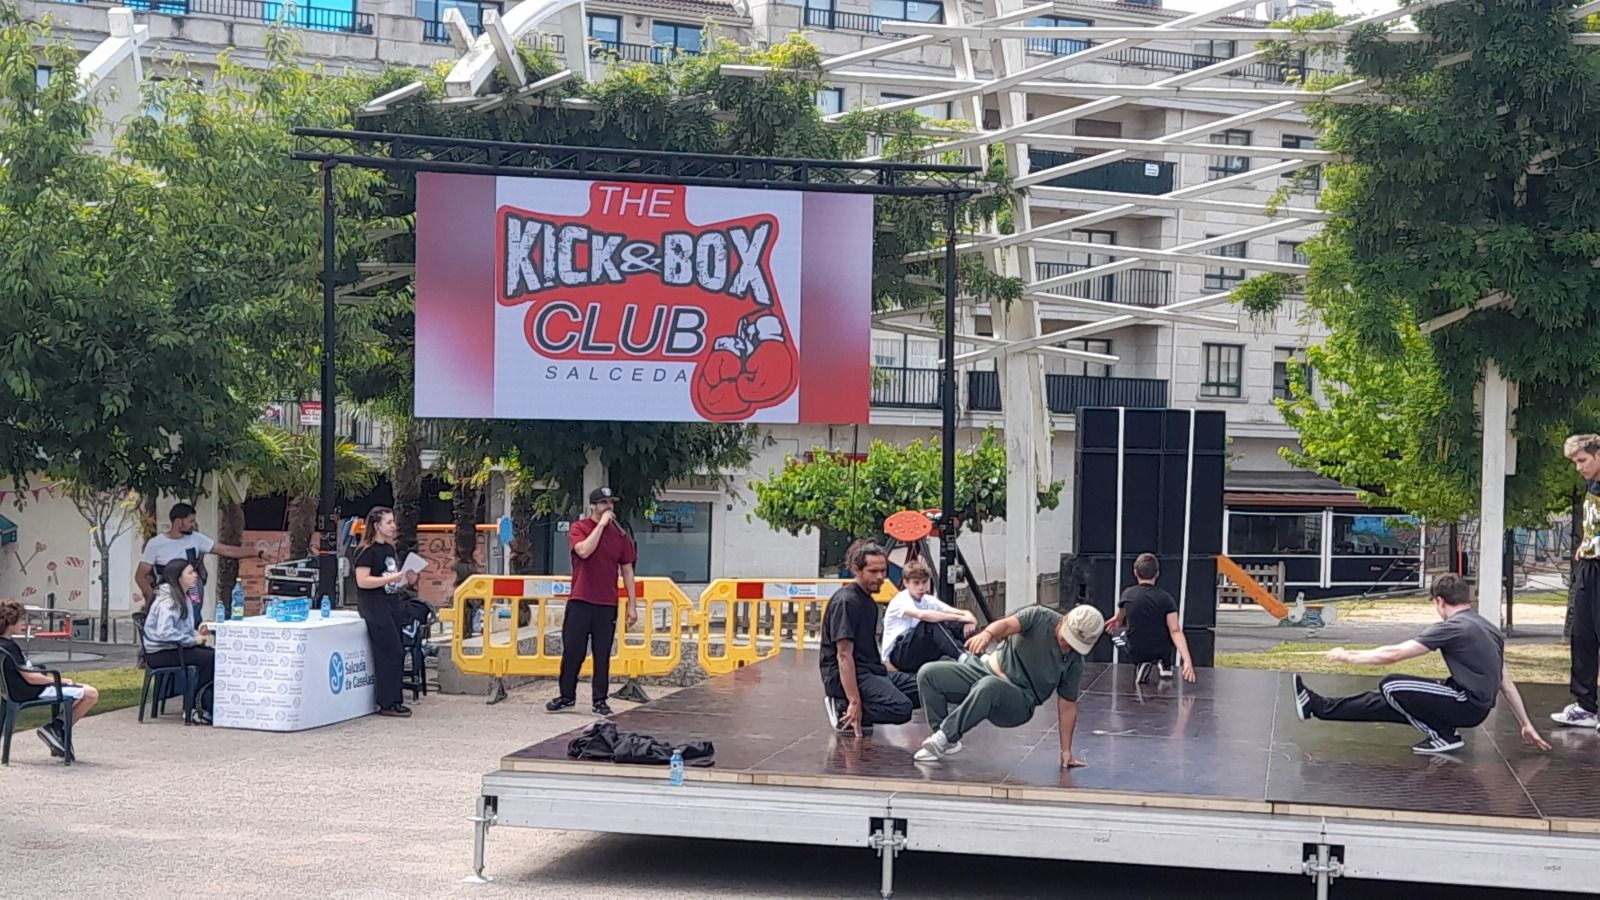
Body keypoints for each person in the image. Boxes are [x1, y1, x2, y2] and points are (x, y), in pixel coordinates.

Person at [1293, 574, 1551, 755]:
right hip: (1472, 707)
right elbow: (1505, 681)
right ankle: (1317, 706)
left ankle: (1443, 736)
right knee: (1384, 702)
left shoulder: (1453, 627)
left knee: (1391, 685)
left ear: (1439, 601)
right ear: (1466, 599)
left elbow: (1393, 654)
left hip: (1464, 704)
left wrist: (1346, 656)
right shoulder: (1488, 628)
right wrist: (1525, 723)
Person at [914, 603, 1105, 765]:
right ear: (1065, 620)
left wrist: (1066, 752)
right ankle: (944, 735)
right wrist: (987, 634)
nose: (1068, 646)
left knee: (989, 687)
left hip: (1019, 699)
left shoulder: (1074, 661)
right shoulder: (1040, 616)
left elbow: (1067, 706)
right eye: (1066, 638)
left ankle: (945, 736)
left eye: (1075, 644)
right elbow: (1006, 625)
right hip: (986, 669)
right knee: (928, 674)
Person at [548, 487, 638, 717]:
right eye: (603, 502)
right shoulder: (579, 528)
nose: (608, 506)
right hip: (581, 599)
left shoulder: (620, 536)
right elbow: (584, 551)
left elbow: (627, 571)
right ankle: (566, 696)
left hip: (607, 602)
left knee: (602, 653)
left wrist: (632, 605)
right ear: (593, 506)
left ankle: (600, 699)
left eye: (611, 502)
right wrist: (600, 526)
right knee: (573, 651)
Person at [820, 542, 919, 735]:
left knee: (924, 688)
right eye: (873, 571)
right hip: (846, 674)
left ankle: (860, 709)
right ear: (857, 570)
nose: (881, 577)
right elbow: (843, 656)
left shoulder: (869, 602)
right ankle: (843, 708)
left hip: (870, 670)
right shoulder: (846, 602)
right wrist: (854, 700)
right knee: (902, 708)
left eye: (883, 570)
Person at [136, 502, 269, 623]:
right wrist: (151, 597)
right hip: (167, 590)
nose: (193, 525)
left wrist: (258, 553)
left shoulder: (196, 539)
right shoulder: (156, 544)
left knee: (194, 614)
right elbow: (140, 576)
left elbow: (227, 550)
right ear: (178, 522)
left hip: (193, 588)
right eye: (190, 521)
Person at [0, 599, 100, 758]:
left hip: (14, 691)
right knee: (91, 693)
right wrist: (58, 681)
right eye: (20, 621)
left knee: (79, 690)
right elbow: (31, 678)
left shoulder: (3, 646)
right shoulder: (10, 647)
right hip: (32, 691)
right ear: (10, 622)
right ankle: (56, 727)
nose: (23, 624)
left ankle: (57, 729)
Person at [1552, 433, 1600, 728]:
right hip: (1590, 568)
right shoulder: (1591, 484)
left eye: (1582, 460)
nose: (1578, 467)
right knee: (1583, 635)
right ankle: (1585, 705)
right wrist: (1587, 544)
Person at [352, 506, 417, 718]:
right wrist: (392, 578)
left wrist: (407, 579)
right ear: (376, 525)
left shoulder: (389, 550)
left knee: (397, 649)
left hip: (390, 602)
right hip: (374, 605)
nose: (393, 527)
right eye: (388, 522)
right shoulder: (366, 551)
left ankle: (395, 698)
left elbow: (390, 580)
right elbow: (363, 581)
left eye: (393, 522)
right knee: (389, 651)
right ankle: (387, 702)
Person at [142, 559, 217, 723]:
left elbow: (182, 627)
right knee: (210, 659)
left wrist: (198, 632)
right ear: (178, 577)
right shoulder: (168, 601)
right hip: (160, 653)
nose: (195, 576)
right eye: (190, 573)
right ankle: (195, 707)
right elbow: (165, 632)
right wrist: (192, 640)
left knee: (215, 655)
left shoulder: (183, 596)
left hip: (174, 648)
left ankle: (204, 704)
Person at [1103, 553, 1197, 684]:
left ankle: (1140, 662)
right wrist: (1187, 660)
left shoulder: (1127, 594)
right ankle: (1165, 664)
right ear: (1157, 574)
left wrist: (1115, 620)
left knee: (1117, 634)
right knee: (1168, 630)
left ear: (1135, 572)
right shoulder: (1166, 598)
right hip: (1161, 648)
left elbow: (1119, 617)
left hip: (1137, 649)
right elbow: (1175, 631)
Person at [879, 560, 975, 675]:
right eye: (916, 583)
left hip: (917, 649)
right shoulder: (901, 599)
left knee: (953, 623)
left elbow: (962, 613)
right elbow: (922, 615)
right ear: (906, 583)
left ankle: (979, 654)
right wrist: (961, 618)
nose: (921, 587)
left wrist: (968, 620)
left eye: (924, 582)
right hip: (899, 654)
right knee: (931, 623)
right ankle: (962, 657)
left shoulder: (928, 599)